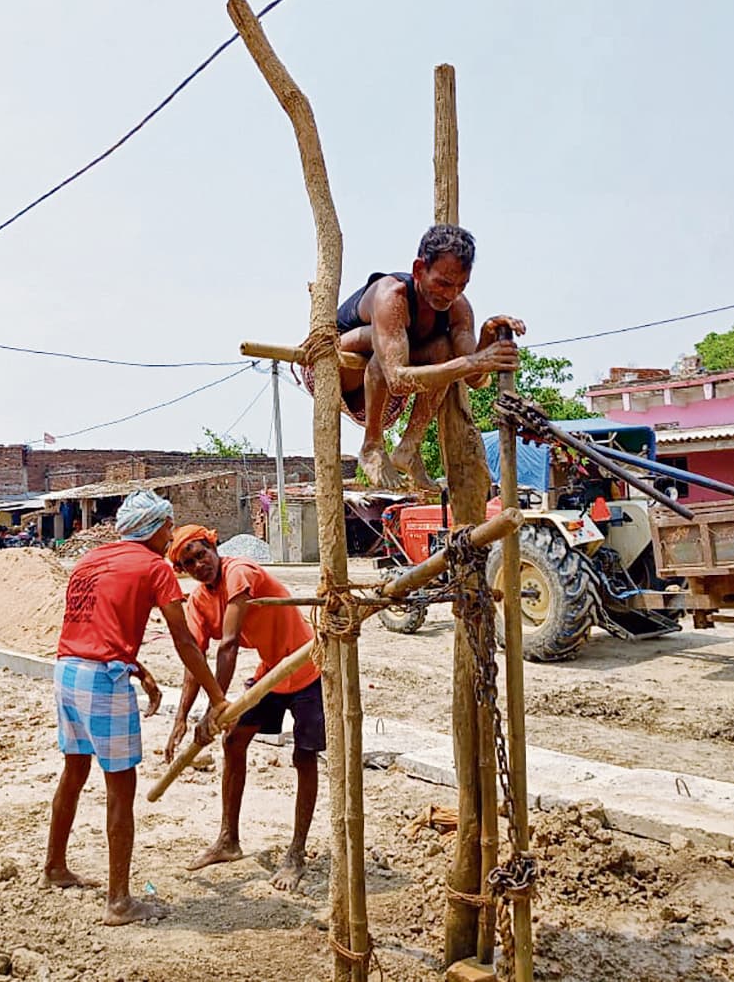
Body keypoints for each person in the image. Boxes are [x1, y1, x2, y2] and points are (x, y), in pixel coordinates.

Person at [44, 490, 230, 926]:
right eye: (167, 526)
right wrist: (217, 697)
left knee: (74, 772)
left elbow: (94, 625)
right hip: (103, 683)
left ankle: (54, 866)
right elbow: (185, 640)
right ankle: (119, 901)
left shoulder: (90, 560)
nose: (170, 536)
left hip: (67, 671)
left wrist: (137, 667)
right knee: (120, 789)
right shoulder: (154, 568)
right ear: (153, 527)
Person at [301, 224, 524, 490]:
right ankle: (372, 444)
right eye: (442, 283)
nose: (450, 294)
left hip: (389, 375)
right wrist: (475, 361)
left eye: (460, 286)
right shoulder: (391, 296)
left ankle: (409, 447)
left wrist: (487, 338)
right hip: (338, 365)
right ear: (419, 270)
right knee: (382, 345)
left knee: (442, 349)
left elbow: (474, 378)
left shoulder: (458, 308)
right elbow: (397, 379)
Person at [165, 524, 322, 892]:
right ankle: (228, 840)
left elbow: (230, 644)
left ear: (213, 547)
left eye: (201, 554)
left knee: (304, 756)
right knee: (234, 742)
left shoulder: (240, 572)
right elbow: (195, 662)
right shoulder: (200, 601)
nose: (199, 565)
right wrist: (182, 718)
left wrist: (214, 710)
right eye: (189, 563)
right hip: (272, 672)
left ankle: (296, 853)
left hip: (307, 665)